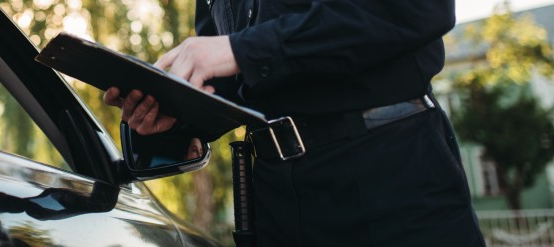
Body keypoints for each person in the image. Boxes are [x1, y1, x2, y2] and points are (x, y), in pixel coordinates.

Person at [104, 0, 487, 246]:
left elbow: (417, 9)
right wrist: (177, 114)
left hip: (390, 179)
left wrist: (241, 50)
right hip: (274, 198)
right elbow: (232, 77)